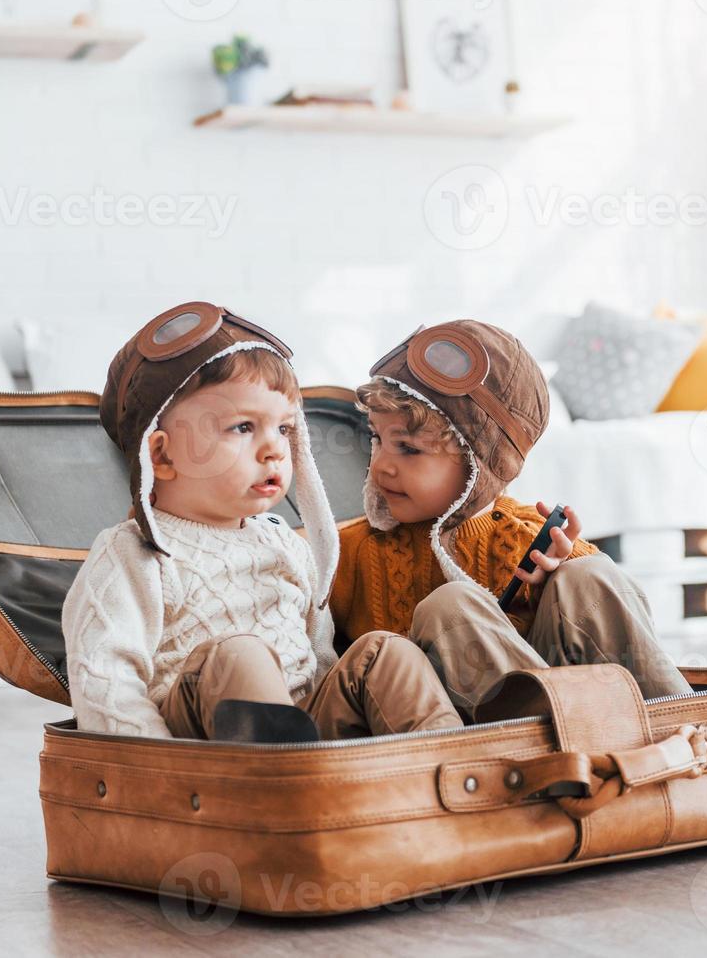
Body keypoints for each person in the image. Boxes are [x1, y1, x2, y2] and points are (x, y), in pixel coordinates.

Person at [62, 302, 462, 743]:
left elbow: (319, 654)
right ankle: (284, 791)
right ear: (160, 455)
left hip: (304, 733)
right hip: (202, 750)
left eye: (285, 429)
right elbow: (103, 678)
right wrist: (158, 773)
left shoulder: (286, 545)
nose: (274, 450)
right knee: (240, 654)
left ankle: (452, 771)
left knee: (382, 651)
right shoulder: (134, 555)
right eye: (242, 427)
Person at [331, 319, 693, 712]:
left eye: (409, 449)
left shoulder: (528, 537)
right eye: (376, 439)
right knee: (450, 606)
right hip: (471, 742)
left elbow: (607, 619)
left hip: (579, 707)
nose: (381, 465)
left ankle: (687, 730)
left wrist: (547, 588)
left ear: (480, 462)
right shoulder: (350, 551)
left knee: (590, 575)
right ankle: (564, 751)